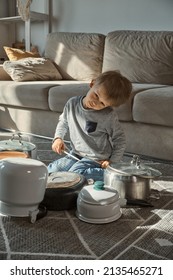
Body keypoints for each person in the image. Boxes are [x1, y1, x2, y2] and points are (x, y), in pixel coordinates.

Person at [47, 70, 132, 181]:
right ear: (92, 84)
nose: (95, 103)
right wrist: (58, 138)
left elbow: (119, 139)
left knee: (75, 175)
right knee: (52, 170)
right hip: (76, 154)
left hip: (96, 158)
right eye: (96, 95)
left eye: (102, 103)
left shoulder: (108, 115)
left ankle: (113, 175)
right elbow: (63, 122)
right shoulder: (72, 103)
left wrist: (112, 163)